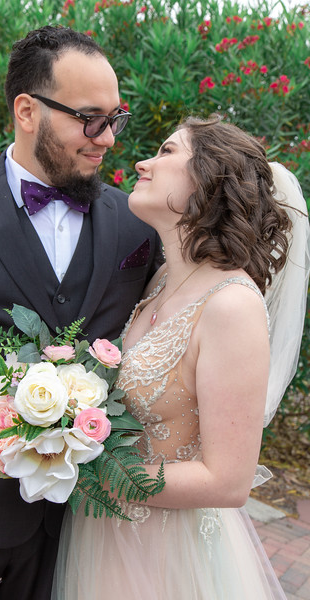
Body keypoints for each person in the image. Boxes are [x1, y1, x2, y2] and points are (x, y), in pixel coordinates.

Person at [0, 26, 162, 600]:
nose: (108, 140)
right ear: (27, 110)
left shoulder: (139, 227)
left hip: (80, 528)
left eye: (115, 120)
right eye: (90, 119)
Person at [51, 115, 310, 600]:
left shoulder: (231, 304)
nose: (142, 162)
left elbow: (228, 481)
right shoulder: (161, 278)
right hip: (102, 534)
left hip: (167, 553)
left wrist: (82, 468)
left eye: (166, 151)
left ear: (209, 178)